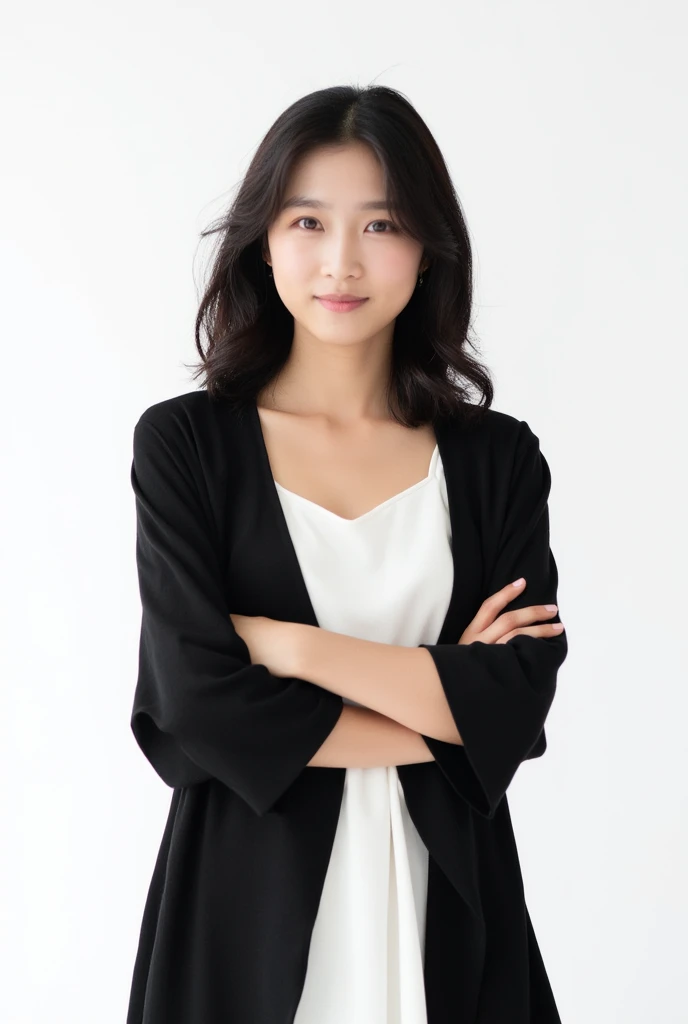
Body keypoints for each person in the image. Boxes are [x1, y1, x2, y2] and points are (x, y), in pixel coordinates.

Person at [126, 84, 568, 1024]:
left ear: (426, 247)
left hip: (453, 901)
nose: (341, 261)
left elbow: (518, 698)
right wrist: (449, 717)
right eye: (308, 221)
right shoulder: (188, 447)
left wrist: (288, 649)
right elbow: (197, 706)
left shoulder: (498, 462)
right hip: (240, 916)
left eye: (381, 224)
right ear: (264, 239)